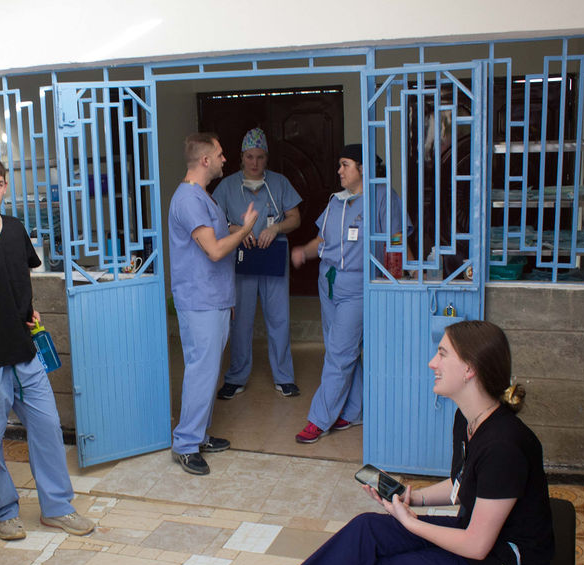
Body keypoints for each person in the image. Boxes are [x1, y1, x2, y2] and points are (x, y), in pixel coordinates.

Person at [211, 320, 554, 565]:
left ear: (470, 369)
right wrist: (412, 497)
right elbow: (462, 484)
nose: (432, 363)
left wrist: (411, 523)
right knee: (367, 531)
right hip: (483, 550)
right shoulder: (469, 420)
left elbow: (476, 544)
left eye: (442, 354)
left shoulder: (504, 446)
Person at [0, 153, 95, 540]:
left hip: (25, 353)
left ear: (5, 186)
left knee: (48, 429)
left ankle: (57, 507)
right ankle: (4, 511)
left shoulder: (14, 228)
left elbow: (19, 276)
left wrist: (26, 308)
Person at [291, 144, 409, 444]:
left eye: (345, 164)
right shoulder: (336, 201)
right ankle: (354, 411)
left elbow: (396, 239)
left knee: (339, 353)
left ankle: (319, 419)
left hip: (358, 286)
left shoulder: (382, 196)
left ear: (363, 168)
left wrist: (401, 278)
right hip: (329, 282)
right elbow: (322, 240)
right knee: (341, 349)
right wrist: (304, 251)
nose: (339, 171)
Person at [168, 132, 258, 475]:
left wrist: (235, 227)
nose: (225, 159)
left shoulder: (202, 197)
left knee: (207, 373)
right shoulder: (189, 200)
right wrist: (246, 228)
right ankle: (186, 444)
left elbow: (216, 235)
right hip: (200, 301)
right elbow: (215, 250)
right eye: (220, 154)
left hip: (214, 299)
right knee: (200, 373)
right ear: (205, 160)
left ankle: (199, 435)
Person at [213, 128, 303, 400]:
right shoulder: (227, 187)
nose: (255, 163)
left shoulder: (279, 183)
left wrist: (275, 229)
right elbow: (214, 223)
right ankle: (236, 376)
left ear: (267, 158)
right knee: (240, 320)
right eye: (250, 157)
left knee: (279, 317)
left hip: (272, 255)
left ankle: (284, 377)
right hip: (242, 257)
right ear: (241, 157)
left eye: (260, 157)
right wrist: (237, 229)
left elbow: (295, 218)